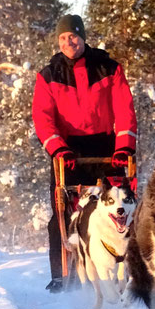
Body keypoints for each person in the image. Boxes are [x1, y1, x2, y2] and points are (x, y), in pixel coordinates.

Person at [32, 15, 138, 293]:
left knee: (122, 207)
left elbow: (125, 108)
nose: (69, 42)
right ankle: (62, 277)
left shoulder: (108, 68)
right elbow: (43, 118)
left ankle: (130, 270)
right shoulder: (48, 75)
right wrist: (58, 148)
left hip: (106, 147)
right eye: (63, 38)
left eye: (74, 36)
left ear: (83, 36)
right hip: (67, 152)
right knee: (61, 213)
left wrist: (124, 146)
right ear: (58, 41)